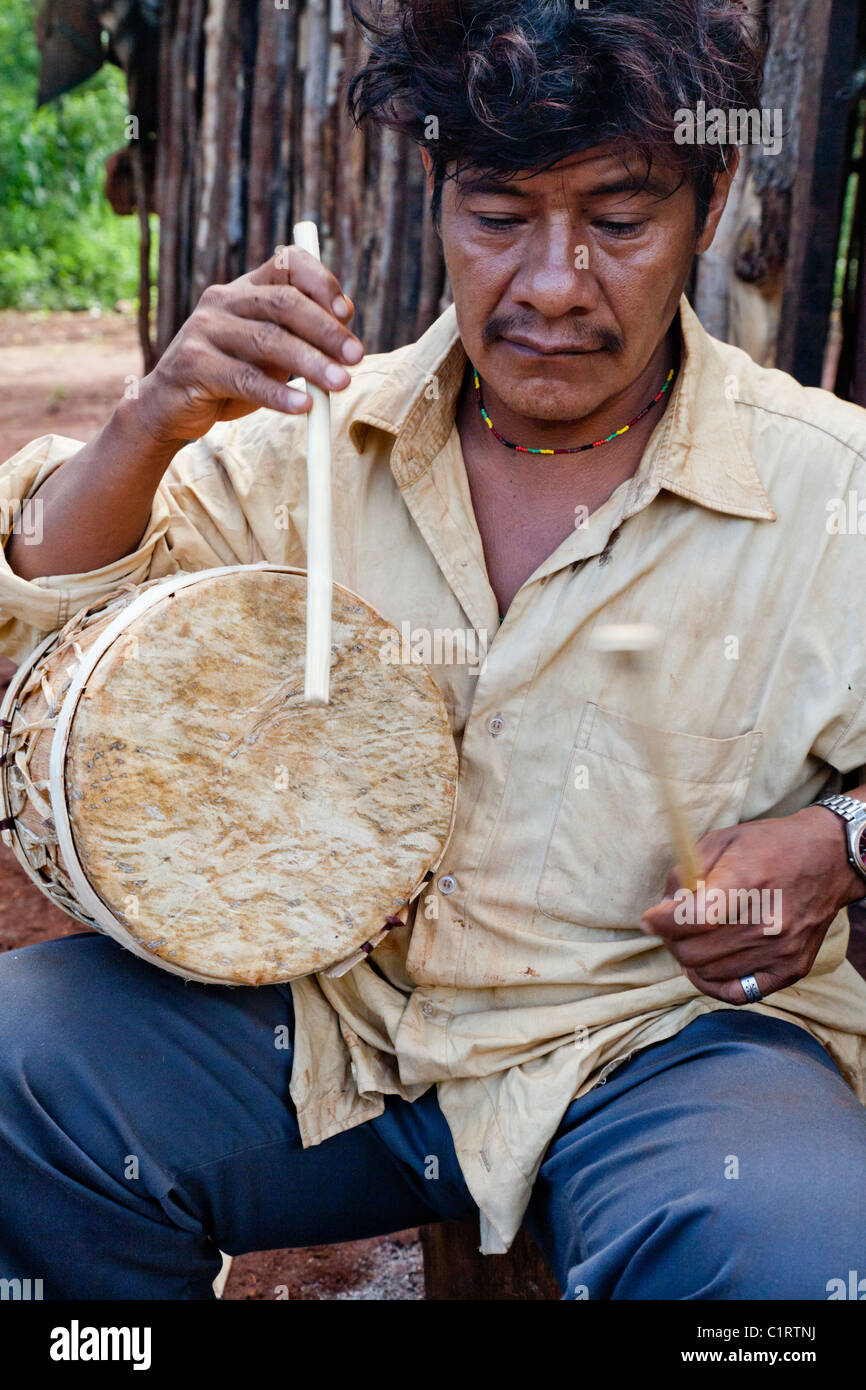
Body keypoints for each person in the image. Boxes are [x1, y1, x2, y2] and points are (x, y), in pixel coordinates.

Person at [2, 0, 866, 1300]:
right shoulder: (296, 444)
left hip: (666, 1047)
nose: (552, 282)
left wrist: (841, 842)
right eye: (498, 213)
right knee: (26, 1067)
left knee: (796, 1252)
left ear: (714, 191)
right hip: (323, 1027)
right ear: (434, 189)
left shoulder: (831, 488)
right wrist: (144, 424)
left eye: (618, 221)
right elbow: (45, 638)